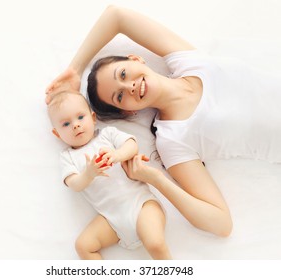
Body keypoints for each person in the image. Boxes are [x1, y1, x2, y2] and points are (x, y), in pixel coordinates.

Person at [46, 5, 281, 237]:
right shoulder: (173, 139)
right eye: (119, 96)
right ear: (127, 113)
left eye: (124, 74)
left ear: (136, 59)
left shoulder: (189, 61)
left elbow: (116, 16)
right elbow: (221, 223)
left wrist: (75, 70)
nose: (130, 87)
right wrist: (156, 179)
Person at [47, 90, 171, 260]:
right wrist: (88, 174)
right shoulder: (67, 157)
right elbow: (74, 184)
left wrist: (117, 155)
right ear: (57, 133)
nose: (75, 125)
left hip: (141, 204)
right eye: (66, 124)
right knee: (83, 246)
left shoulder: (107, 134)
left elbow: (131, 145)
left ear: (92, 117)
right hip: (111, 219)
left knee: (155, 243)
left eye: (80, 117)